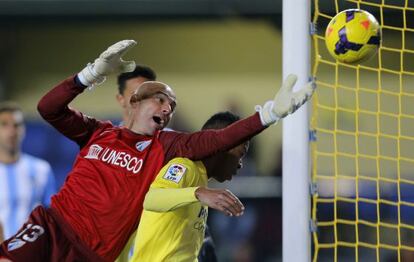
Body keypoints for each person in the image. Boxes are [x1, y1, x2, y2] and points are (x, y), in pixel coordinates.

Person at [0, 39, 315, 261]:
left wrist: (269, 114)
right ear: (134, 102)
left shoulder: (169, 146)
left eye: (172, 106)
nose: (167, 108)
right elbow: (48, 108)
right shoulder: (99, 132)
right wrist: (91, 74)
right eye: (161, 99)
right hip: (54, 225)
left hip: (95, 254)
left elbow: (220, 139)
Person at [115, 66, 218, 262]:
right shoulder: (107, 144)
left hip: (163, 240)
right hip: (119, 238)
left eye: (152, 96)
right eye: (136, 95)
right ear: (121, 99)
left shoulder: (175, 145)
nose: (143, 102)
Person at [130, 111, 248, 261]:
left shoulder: (201, 179)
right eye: (241, 154)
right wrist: (199, 193)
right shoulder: (184, 166)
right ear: (222, 144)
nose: (240, 164)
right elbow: (151, 199)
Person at [0, 102, 56, 241]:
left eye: (17, 125)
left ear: (24, 129)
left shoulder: (41, 169)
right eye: (4, 124)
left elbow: (51, 215)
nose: (12, 131)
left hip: (32, 254)